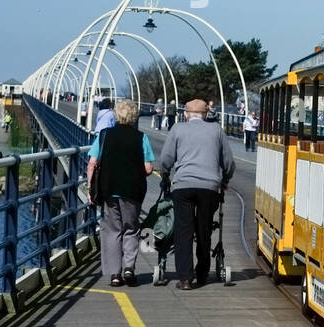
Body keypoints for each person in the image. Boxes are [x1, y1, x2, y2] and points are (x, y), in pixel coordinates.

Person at [159, 99, 235, 290]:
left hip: (183, 185)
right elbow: (228, 161)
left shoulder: (177, 129)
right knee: (204, 229)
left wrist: (166, 174)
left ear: (186, 114)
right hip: (209, 187)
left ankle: (185, 278)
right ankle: (202, 273)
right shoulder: (216, 130)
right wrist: (225, 179)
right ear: (205, 114)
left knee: (183, 231)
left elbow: (166, 158)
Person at [87, 99, 154, 287]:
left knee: (112, 231)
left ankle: (115, 274)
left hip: (109, 190)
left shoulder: (105, 135)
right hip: (132, 190)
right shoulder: (141, 138)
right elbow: (148, 168)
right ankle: (129, 268)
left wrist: (91, 188)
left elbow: (92, 163)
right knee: (131, 229)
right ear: (134, 116)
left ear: (116, 115)